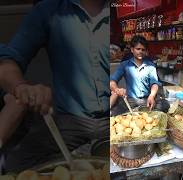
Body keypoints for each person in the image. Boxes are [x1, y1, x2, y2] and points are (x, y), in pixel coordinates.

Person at [0, 0, 109, 172]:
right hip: (69, 120)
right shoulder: (49, 10)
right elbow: (9, 60)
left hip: (114, 118)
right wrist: (21, 87)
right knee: (15, 164)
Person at [110, 35, 169, 115]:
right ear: (132, 50)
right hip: (131, 100)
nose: (140, 51)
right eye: (138, 49)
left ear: (146, 51)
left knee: (165, 105)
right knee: (114, 113)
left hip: (147, 99)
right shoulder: (125, 65)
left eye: (143, 50)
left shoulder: (150, 66)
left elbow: (154, 84)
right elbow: (112, 81)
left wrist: (152, 96)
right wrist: (117, 89)